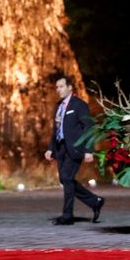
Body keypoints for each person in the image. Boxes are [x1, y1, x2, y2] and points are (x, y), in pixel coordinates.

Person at [44, 75, 104, 225]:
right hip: (60, 148)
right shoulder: (58, 106)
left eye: (61, 86)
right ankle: (95, 201)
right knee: (65, 179)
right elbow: (55, 129)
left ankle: (67, 216)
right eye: (57, 87)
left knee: (66, 177)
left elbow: (88, 127)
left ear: (70, 87)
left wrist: (89, 149)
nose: (58, 90)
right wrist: (50, 148)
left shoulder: (79, 105)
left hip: (75, 148)